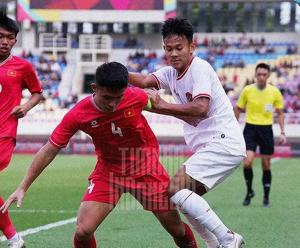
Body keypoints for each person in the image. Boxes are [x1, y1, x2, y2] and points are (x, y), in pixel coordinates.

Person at [1, 62, 197, 248]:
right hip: (109, 172)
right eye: (107, 98)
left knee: (178, 231)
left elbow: (163, 107)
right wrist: (23, 186)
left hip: (147, 169)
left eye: (118, 97)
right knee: (83, 230)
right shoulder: (78, 114)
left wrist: (176, 109)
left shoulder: (136, 96)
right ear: (94, 88)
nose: (113, 104)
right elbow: (49, 149)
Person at [128, 18, 246, 248]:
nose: (173, 54)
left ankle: (228, 239)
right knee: (184, 199)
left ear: (192, 46)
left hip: (222, 143)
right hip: (217, 145)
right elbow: (143, 80)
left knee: (174, 189)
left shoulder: (199, 68)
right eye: (168, 49)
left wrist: (161, 106)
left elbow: (200, 108)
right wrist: (116, 73)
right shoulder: (171, 73)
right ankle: (216, 244)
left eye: (179, 48)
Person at [0, 13, 42, 248]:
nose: (5, 42)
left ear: (15, 41)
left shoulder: (22, 67)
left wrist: (25, 107)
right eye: (0, 37)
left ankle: (14, 237)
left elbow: (37, 91)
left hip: (4, 134)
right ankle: (15, 240)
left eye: (10, 38)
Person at [235, 62, 286, 207]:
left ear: (268, 75)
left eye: (264, 74)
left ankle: (266, 198)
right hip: (250, 129)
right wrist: (234, 127)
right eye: (259, 74)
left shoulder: (275, 92)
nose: (261, 77)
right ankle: (249, 191)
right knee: (247, 162)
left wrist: (282, 132)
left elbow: (280, 113)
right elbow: (238, 109)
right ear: (255, 75)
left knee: (266, 165)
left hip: (266, 130)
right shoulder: (247, 90)